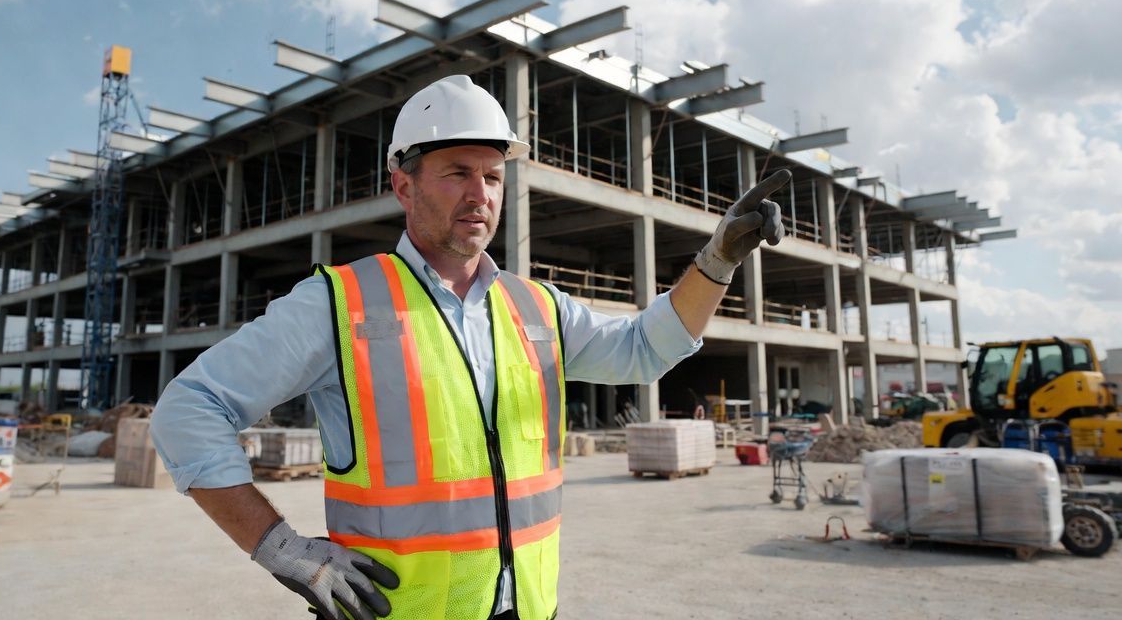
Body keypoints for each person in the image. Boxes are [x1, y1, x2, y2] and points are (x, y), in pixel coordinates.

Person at [151, 74, 789, 620]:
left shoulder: (536, 307)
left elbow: (645, 350)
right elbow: (189, 410)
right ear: (403, 185)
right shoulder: (339, 303)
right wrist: (279, 547)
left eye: (492, 175)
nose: (480, 194)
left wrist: (717, 260)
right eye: (457, 173)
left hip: (525, 607)